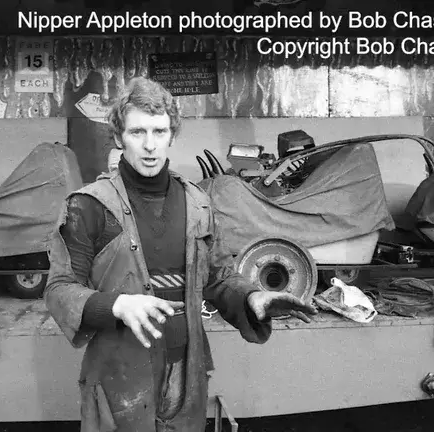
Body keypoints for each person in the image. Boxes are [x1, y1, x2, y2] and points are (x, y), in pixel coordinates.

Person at [45, 77, 318, 432]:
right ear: (117, 137)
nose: (149, 145)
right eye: (137, 132)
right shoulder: (89, 206)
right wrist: (117, 305)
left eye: (159, 132)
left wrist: (253, 298)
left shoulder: (198, 202)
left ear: (172, 135)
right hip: (119, 376)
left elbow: (218, 277)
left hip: (185, 373)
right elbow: (59, 289)